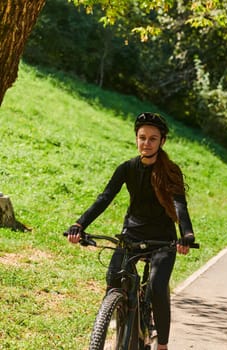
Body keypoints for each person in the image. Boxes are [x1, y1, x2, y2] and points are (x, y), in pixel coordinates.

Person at [65, 112, 196, 350]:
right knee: (114, 278)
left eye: (153, 139)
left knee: (157, 286)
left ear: (162, 141)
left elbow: (180, 206)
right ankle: (121, 318)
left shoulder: (170, 170)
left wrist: (186, 235)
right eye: (142, 137)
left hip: (162, 241)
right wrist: (79, 224)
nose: (146, 143)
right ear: (136, 139)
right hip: (132, 235)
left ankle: (163, 345)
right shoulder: (127, 168)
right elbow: (104, 198)